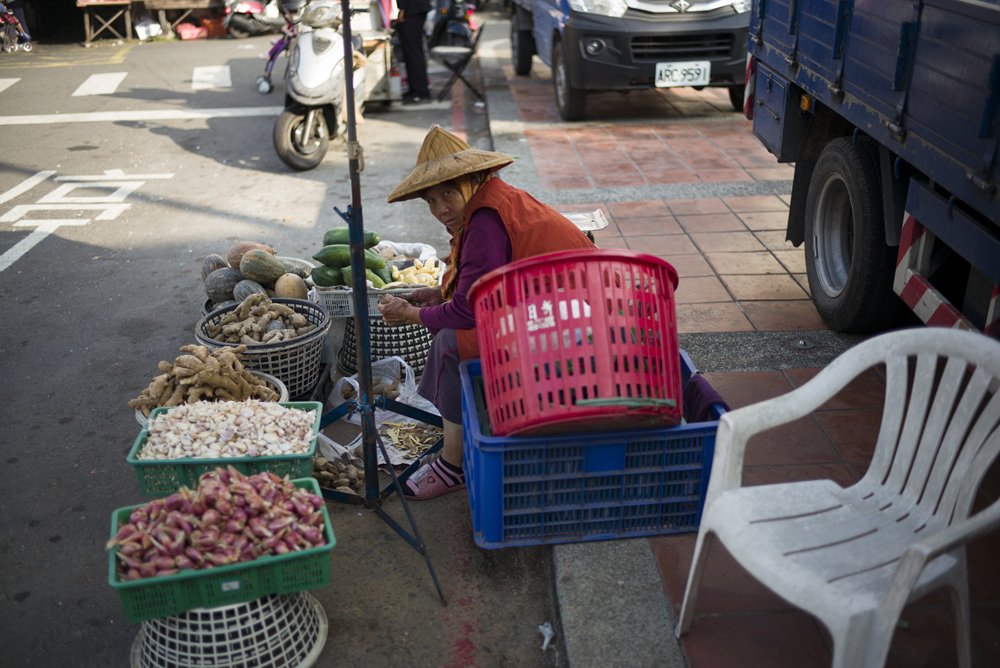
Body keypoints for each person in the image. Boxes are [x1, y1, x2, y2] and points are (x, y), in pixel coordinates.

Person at [378, 125, 596, 499]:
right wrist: (438, 293)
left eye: (447, 193)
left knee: (451, 341)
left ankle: (452, 465)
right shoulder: (492, 200)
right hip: (567, 308)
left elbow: (468, 313)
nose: (440, 209)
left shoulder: (485, 219)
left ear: (472, 179)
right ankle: (467, 422)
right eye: (430, 201)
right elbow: (488, 282)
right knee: (452, 332)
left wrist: (410, 314)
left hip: (582, 322)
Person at [395, 0, 431, 104]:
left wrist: (402, 8)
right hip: (413, 8)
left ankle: (420, 90)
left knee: (413, 52)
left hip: (412, 9)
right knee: (410, 52)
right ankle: (415, 89)